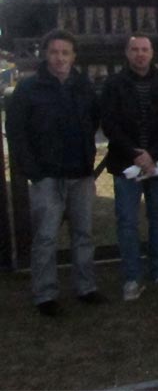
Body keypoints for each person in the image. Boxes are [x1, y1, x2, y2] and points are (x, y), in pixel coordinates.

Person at [6, 29, 106, 316]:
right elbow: (16, 133)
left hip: (80, 173)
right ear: (45, 54)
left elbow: (94, 119)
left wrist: (87, 156)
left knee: (83, 234)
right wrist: (33, 171)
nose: (60, 58)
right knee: (46, 237)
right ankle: (45, 294)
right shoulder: (28, 89)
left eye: (65, 53)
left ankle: (86, 287)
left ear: (73, 56)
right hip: (46, 175)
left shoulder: (82, 86)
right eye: (54, 52)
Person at [101, 34, 158, 301]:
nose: (140, 54)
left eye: (144, 49)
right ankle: (132, 278)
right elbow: (110, 124)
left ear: (152, 53)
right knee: (127, 223)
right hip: (127, 164)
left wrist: (153, 154)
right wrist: (136, 153)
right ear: (127, 53)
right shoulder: (114, 84)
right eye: (134, 49)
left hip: (157, 164)